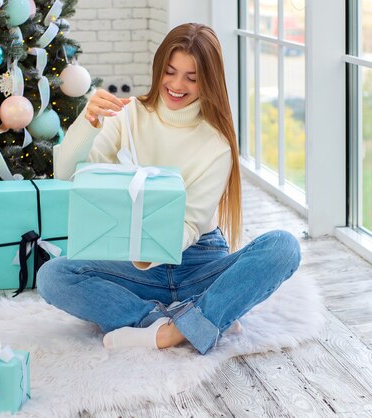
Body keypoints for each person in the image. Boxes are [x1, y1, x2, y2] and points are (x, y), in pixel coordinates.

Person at [37, 23, 301, 355]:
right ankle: (176, 317)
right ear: (159, 68)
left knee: (284, 247)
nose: (177, 85)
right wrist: (86, 123)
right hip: (136, 262)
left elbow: (190, 224)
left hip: (198, 260)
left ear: (209, 80)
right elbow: (66, 173)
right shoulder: (128, 114)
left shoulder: (216, 142)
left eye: (191, 78)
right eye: (170, 72)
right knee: (52, 275)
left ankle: (170, 334)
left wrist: (150, 246)